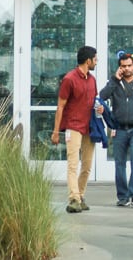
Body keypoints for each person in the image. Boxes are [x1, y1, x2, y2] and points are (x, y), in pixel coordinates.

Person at [99, 52, 133, 208]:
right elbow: (102, 96)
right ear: (120, 67)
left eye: (129, 66)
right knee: (120, 163)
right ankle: (123, 196)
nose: (127, 68)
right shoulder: (114, 83)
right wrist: (114, 79)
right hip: (119, 128)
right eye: (123, 66)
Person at [51, 45, 100, 214]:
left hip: (89, 127)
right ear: (88, 60)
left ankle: (80, 196)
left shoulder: (92, 80)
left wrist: (100, 110)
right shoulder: (69, 79)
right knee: (73, 164)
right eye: (95, 59)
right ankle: (73, 199)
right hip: (73, 126)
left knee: (87, 166)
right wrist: (56, 131)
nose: (96, 61)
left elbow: (95, 102)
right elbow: (60, 106)